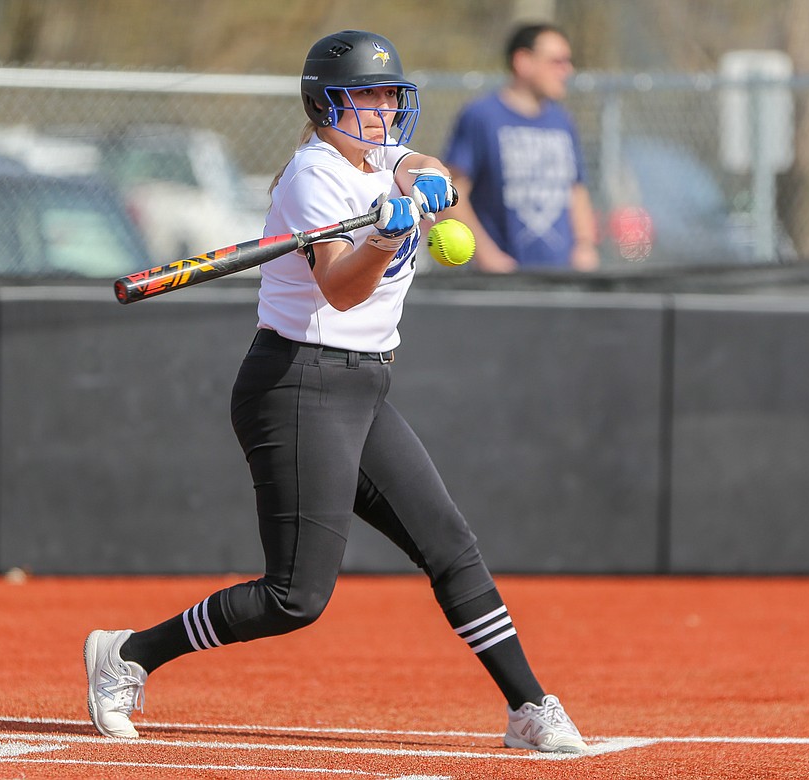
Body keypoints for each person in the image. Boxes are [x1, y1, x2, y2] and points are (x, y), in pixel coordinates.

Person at [84, 29, 588, 755]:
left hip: (364, 385)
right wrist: (383, 240)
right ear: (328, 105)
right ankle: (128, 655)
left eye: (391, 96)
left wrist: (431, 179)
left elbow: (414, 161)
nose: (385, 109)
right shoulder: (313, 175)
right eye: (368, 97)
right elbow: (340, 289)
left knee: (450, 545)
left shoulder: (376, 152)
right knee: (295, 598)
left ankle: (530, 706)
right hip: (296, 384)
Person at [444, 23, 599, 272]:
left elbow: (576, 190)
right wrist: (487, 255)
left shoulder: (563, 121)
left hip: (562, 277)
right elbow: (452, 195)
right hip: (503, 280)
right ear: (523, 61)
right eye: (557, 62)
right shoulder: (481, 116)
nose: (567, 70)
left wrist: (584, 245)